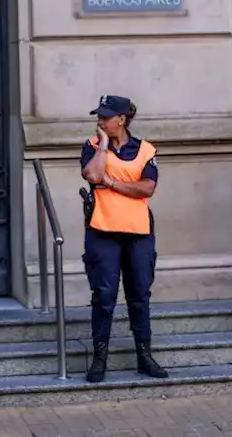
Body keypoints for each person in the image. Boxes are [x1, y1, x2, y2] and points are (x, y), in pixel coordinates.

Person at [79, 95, 168, 383]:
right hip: (102, 231)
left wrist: (113, 183)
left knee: (139, 295)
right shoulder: (92, 146)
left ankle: (144, 356)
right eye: (99, 117)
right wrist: (104, 145)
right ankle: (99, 358)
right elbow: (93, 175)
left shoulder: (146, 149)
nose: (100, 121)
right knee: (103, 296)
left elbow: (148, 188)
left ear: (122, 119)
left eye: (106, 117)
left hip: (138, 233)